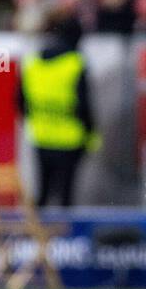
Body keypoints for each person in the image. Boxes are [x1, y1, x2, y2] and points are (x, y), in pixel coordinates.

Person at [17, 18, 95, 207]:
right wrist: (90, 133)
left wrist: (37, 119)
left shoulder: (33, 62)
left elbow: (20, 101)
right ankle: (65, 228)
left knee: (43, 192)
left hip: (41, 136)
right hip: (70, 138)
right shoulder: (75, 62)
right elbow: (84, 105)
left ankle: (37, 226)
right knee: (66, 195)